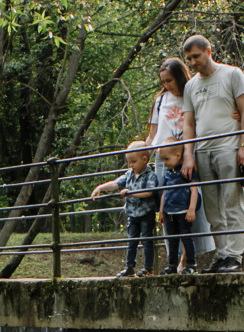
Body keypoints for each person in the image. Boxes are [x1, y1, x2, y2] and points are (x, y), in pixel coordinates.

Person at [181, 34, 244, 273]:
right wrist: (188, 155)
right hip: (202, 150)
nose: (193, 62)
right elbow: (189, 123)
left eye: (196, 56)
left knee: (232, 201)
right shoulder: (191, 86)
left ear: (208, 51)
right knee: (212, 207)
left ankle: (235, 256)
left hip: (228, 146)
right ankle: (222, 255)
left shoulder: (232, 74)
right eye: (189, 58)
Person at [144, 57, 214, 271]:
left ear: (180, 77)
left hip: (185, 155)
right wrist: (143, 156)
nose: (166, 85)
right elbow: (152, 134)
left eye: (170, 81)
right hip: (162, 157)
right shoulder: (160, 101)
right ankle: (172, 259)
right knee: (168, 207)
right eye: (163, 81)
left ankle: (187, 258)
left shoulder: (191, 95)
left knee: (190, 205)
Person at [89, 140, 161, 276]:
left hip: (146, 213)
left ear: (144, 160)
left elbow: (149, 192)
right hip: (132, 214)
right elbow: (116, 184)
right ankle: (129, 267)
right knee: (131, 241)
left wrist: (130, 193)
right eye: (129, 162)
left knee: (147, 240)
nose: (130, 165)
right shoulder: (129, 174)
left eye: (133, 161)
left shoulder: (151, 176)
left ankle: (148, 267)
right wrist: (100, 187)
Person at [156, 142, 199, 275]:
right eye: (162, 160)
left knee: (186, 237)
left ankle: (191, 264)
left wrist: (191, 209)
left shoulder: (186, 171)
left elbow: (194, 190)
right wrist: (161, 211)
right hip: (170, 212)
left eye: (167, 159)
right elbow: (164, 192)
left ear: (178, 155)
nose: (164, 163)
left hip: (183, 211)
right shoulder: (168, 173)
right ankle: (172, 265)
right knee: (172, 239)